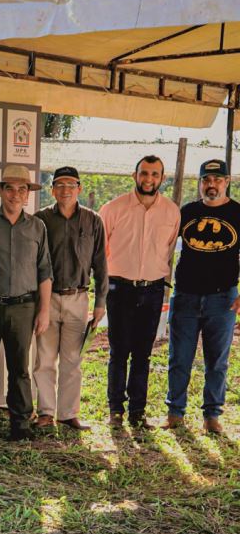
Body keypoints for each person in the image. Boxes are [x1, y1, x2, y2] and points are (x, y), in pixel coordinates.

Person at [0, 164, 52, 442]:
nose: (15, 194)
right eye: (10, 188)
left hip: (24, 307)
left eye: (22, 189)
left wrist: (44, 310)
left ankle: (21, 423)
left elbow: (45, 271)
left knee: (20, 368)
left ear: (28, 194)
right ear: (1, 191)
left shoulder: (37, 227)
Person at [98, 155, 180, 431]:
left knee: (143, 354)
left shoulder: (172, 212)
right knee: (118, 351)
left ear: (162, 178)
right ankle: (115, 411)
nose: (149, 179)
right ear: (135, 175)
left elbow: (168, 251)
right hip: (120, 288)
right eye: (144, 173)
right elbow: (101, 251)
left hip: (153, 290)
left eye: (155, 174)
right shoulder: (112, 209)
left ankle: (137, 412)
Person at [163, 159, 240, 435]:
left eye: (218, 180)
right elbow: (169, 247)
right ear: (200, 183)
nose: (212, 185)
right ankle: (175, 412)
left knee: (217, 361)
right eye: (207, 179)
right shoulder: (187, 211)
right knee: (179, 357)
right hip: (185, 295)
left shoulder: (237, 213)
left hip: (223, 298)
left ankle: (212, 415)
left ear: (227, 182)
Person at [34, 166, 108, 432]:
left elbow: (101, 263)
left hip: (79, 297)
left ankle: (68, 414)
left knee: (72, 360)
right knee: (44, 359)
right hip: (47, 298)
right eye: (59, 185)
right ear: (52, 189)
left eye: (70, 185)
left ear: (79, 188)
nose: (65, 190)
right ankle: (45, 412)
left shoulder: (92, 220)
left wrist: (100, 302)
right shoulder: (40, 219)